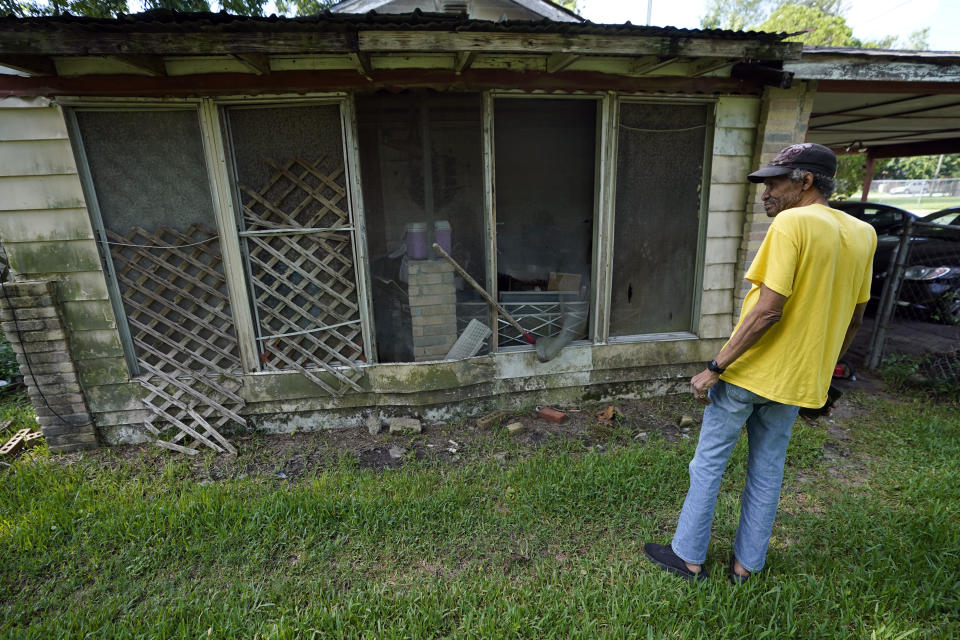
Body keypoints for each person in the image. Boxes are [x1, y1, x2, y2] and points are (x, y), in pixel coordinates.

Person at [644, 143, 877, 584]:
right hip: (794, 384)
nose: (765, 191)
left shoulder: (794, 222)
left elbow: (769, 309)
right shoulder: (863, 233)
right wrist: (821, 375)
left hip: (750, 374)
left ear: (805, 181)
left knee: (707, 465)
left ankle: (688, 557)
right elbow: (855, 319)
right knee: (767, 472)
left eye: (774, 181)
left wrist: (715, 366)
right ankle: (746, 567)